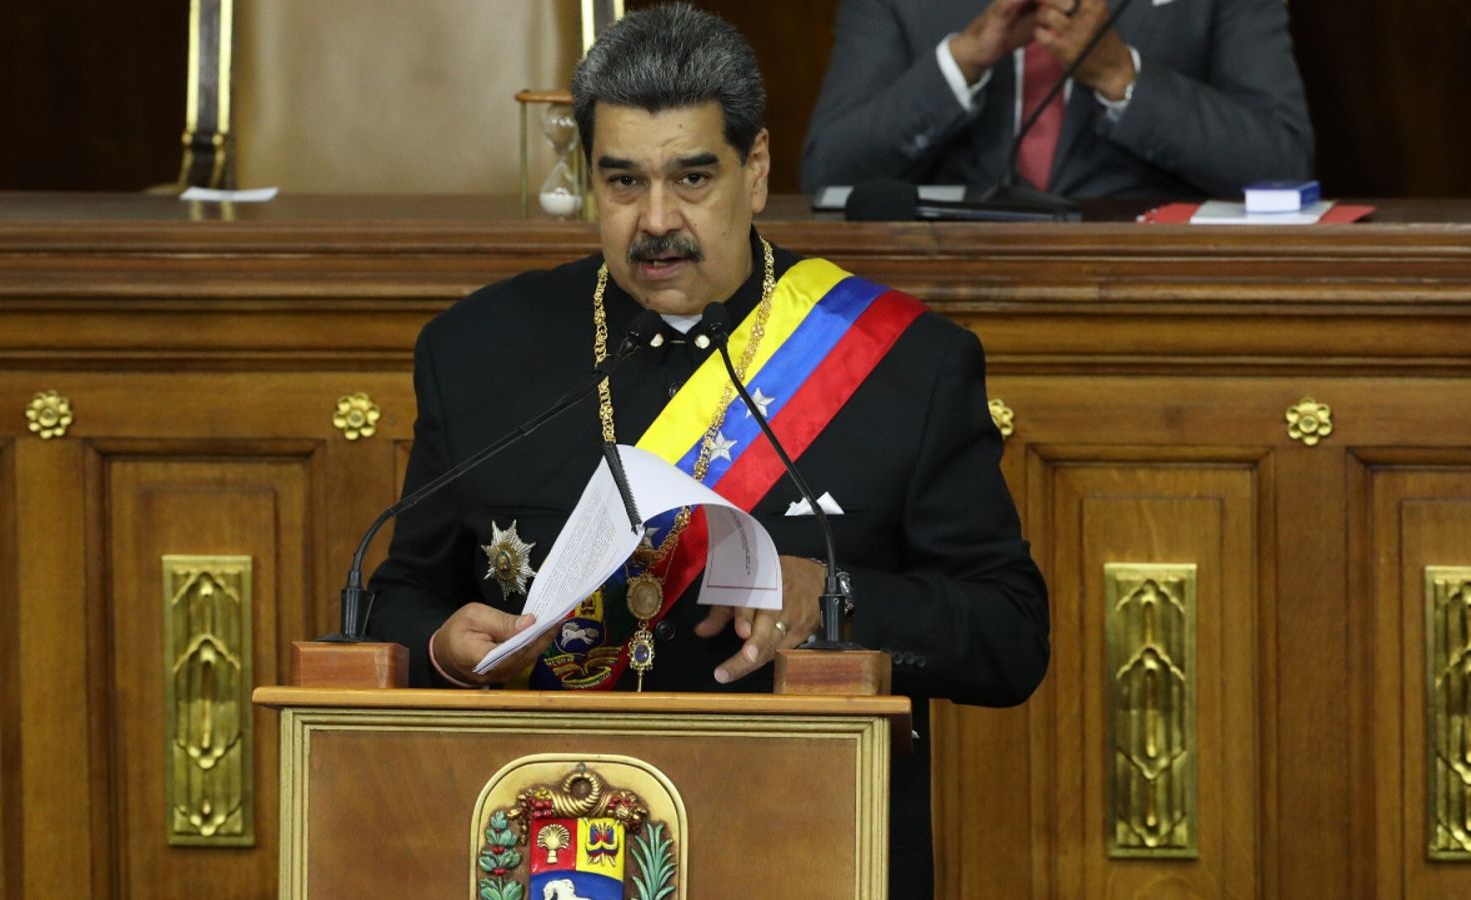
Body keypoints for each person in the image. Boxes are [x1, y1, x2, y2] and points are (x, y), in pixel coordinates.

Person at [366, 4, 1048, 894]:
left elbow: (1009, 638)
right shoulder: (477, 352)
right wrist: (441, 650)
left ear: (755, 169)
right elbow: (395, 603)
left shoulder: (901, 363)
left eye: (692, 178)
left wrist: (834, 598)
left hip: (805, 844)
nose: (656, 221)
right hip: (555, 854)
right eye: (622, 183)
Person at [799, 0, 1316, 199]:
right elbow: (829, 170)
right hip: (941, 308)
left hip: (1149, 304)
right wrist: (962, 62)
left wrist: (1119, 75)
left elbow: (1282, 162)